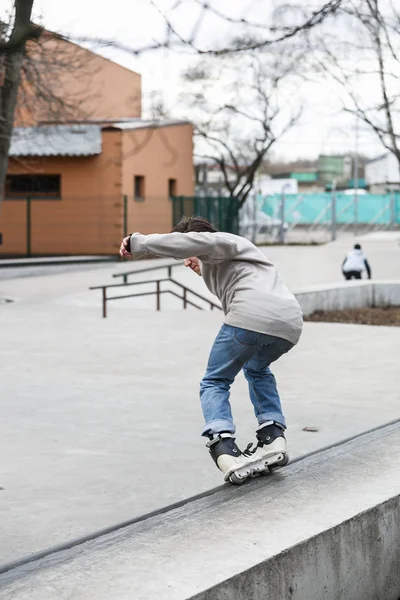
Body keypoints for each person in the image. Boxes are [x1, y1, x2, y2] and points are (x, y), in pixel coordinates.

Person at [120, 217, 303, 484]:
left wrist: (137, 243)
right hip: (289, 324)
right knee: (257, 368)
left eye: (185, 253)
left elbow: (196, 242)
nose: (185, 261)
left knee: (215, 380)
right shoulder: (231, 259)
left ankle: (223, 445)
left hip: (251, 316)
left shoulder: (223, 241)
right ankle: (273, 435)